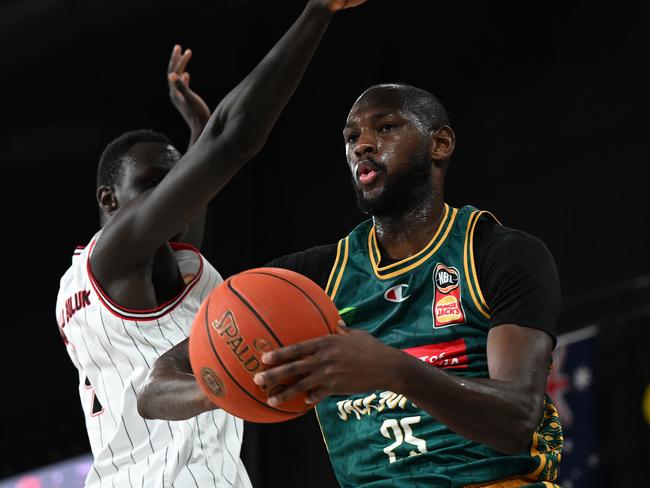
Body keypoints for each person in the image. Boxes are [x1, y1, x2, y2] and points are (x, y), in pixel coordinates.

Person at [138, 89, 562, 487]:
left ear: (441, 144)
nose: (362, 144)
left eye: (386, 127)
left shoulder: (497, 253)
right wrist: (225, 386)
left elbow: (516, 419)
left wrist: (394, 370)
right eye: (351, 136)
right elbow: (153, 390)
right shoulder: (311, 278)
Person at [55, 1, 367, 486]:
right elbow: (233, 140)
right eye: (158, 181)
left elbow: (206, 168)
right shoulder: (117, 254)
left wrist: (197, 130)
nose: (177, 188)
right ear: (108, 199)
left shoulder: (118, 273)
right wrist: (316, 13)